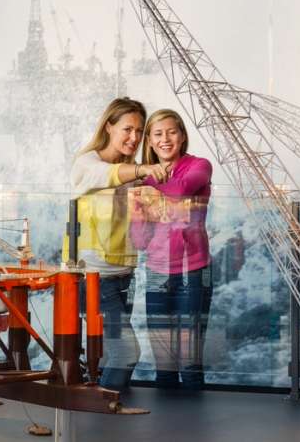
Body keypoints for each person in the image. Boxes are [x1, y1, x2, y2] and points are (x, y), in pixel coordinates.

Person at [67, 97, 167, 391]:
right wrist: (143, 171)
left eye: (139, 131)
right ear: (109, 127)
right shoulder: (88, 164)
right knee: (126, 352)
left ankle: (103, 419)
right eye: (127, 129)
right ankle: (106, 410)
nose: (134, 137)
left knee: (110, 352)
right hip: (93, 276)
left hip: (125, 273)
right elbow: (106, 175)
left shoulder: (132, 173)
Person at [130, 108, 213, 390]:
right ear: (150, 142)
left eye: (171, 132)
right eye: (158, 134)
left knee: (190, 363)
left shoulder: (199, 165)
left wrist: (148, 191)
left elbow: (182, 189)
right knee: (163, 366)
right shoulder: (142, 179)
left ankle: (194, 430)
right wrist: (139, 209)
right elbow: (139, 240)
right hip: (156, 272)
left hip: (194, 272)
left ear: (182, 136)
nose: (165, 139)